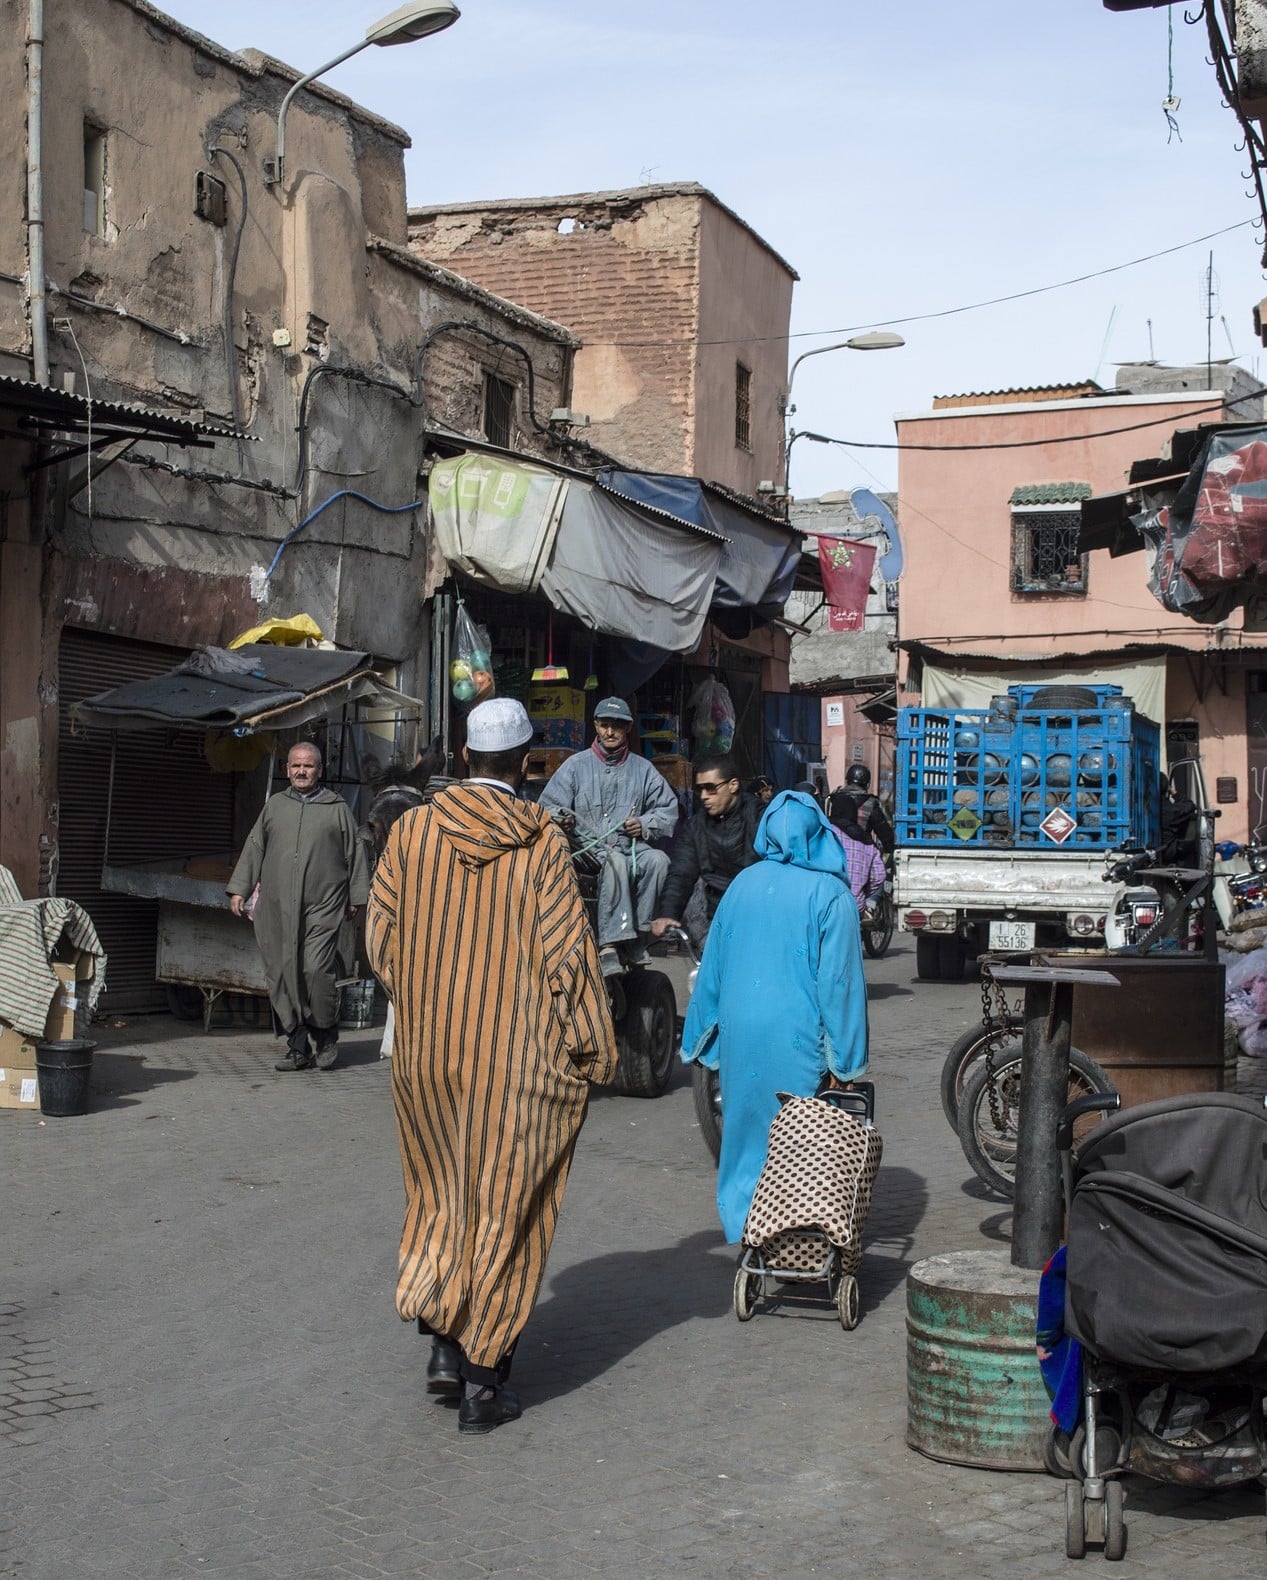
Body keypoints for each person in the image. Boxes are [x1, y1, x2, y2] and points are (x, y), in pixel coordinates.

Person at [365, 697, 617, 1434]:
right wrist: (592, 1048)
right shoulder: (539, 839)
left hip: (428, 1057)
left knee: (442, 1190)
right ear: (525, 762)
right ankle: (482, 1383)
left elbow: (379, 937)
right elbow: (567, 955)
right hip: (518, 1060)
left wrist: (422, 1000)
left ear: (466, 758)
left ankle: (444, 1343)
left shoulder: (411, 831)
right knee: (510, 1203)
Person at [679, 790, 870, 1242]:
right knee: (799, 1140)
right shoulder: (831, 895)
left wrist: (701, 1036)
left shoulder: (741, 885)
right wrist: (847, 1063)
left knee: (746, 1138)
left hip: (741, 1037)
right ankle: (795, 1237)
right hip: (799, 1038)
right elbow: (840, 988)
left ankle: (747, 1228)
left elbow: (713, 970)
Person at [227, 741, 368, 1072]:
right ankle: (298, 1045)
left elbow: (355, 854)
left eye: (308, 766)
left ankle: (326, 1036)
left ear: (320, 770)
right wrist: (239, 889)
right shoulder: (275, 806)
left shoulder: (337, 808)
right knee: (280, 972)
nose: (301, 771)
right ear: (287, 770)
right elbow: (254, 847)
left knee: (316, 969)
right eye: (295, 766)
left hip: (323, 906)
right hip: (277, 908)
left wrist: (356, 896)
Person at [538, 696, 678, 971]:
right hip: (587, 851)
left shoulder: (643, 769)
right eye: (604, 725)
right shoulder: (575, 766)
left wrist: (645, 824)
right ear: (596, 726)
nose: (610, 732)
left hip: (630, 848)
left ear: (627, 729)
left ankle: (637, 935)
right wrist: (561, 818)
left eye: (617, 726)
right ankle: (610, 944)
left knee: (659, 860)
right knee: (614, 862)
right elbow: (546, 807)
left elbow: (668, 810)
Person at [650, 754, 761, 943]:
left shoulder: (760, 817)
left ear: (733, 785)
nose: (703, 796)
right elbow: (681, 872)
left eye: (711, 788)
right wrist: (669, 913)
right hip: (715, 916)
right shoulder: (696, 826)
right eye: (700, 789)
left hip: (759, 913)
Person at [828, 792, 888, 914]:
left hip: (825, 903)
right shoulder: (867, 843)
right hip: (855, 905)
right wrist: (863, 893)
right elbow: (879, 876)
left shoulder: (825, 833)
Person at [841, 763, 895, 855]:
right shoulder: (870, 803)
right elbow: (884, 834)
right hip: (860, 852)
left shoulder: (833, 800)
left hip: (836, 853)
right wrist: (890, 848)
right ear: (867, 784)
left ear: (847, 781)